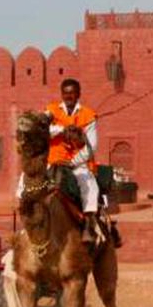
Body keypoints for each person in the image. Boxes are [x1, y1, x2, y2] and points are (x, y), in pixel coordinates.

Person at [46, 78, 101, 243]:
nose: (68, 96)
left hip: (76, 164)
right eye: (65, 93)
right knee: (28, 183)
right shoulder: (51, 110)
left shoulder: (88, 115)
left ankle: (89, 223)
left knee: (89, 184)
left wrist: (73, 162)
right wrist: (62, 130)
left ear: (78, 94)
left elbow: (91, 147)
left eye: (72, 93)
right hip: (53, 161)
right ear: (61, 94)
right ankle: (28, 220)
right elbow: (42, 128)